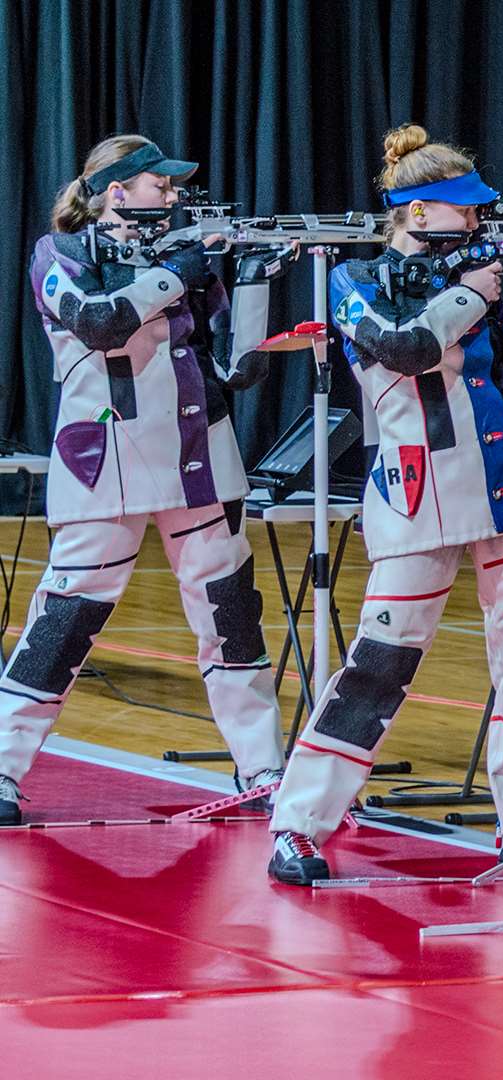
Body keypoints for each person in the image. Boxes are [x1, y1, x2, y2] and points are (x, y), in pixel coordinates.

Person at [267, 125, 503, 884]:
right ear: (418, 210)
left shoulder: (479, 271)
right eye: (463, 209)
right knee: (381, 661)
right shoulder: (355, 278)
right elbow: (403, 348)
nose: (477, 221)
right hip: (417, 488)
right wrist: (473, 293)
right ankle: (298, 822)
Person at [1, 135, 286, 824]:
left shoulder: (180, 255)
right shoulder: (60, 252)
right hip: (106, 456)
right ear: (117, 191)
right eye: (161, 185)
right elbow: (98, 321)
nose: (174, 195)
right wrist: (179, 270)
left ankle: (263, 767)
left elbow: (241, 367)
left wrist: (252, 275)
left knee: (230, 615)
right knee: (67, 617)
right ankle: (3, 765)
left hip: (198, 453)